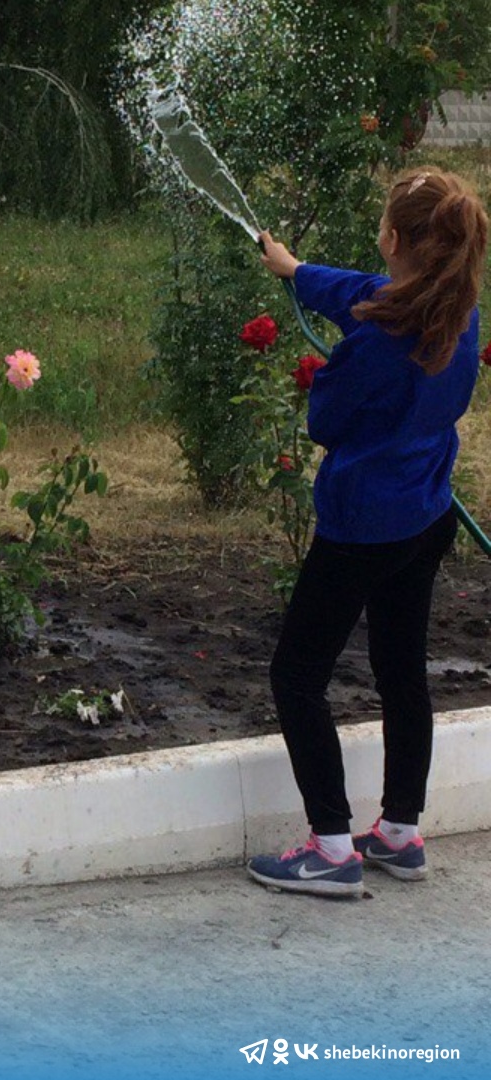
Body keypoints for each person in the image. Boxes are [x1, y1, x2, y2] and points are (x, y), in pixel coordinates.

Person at [247, 167, 487, 898]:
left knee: (297, 676)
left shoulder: (377, 339)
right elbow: (359, 292)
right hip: (426, 516)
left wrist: (332, 373)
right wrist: (294, 273)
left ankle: (330, 849)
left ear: (391, 237)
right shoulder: (458, 306)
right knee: (400, 668)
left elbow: (326, 423)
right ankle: (400, 833)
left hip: (361, 528)